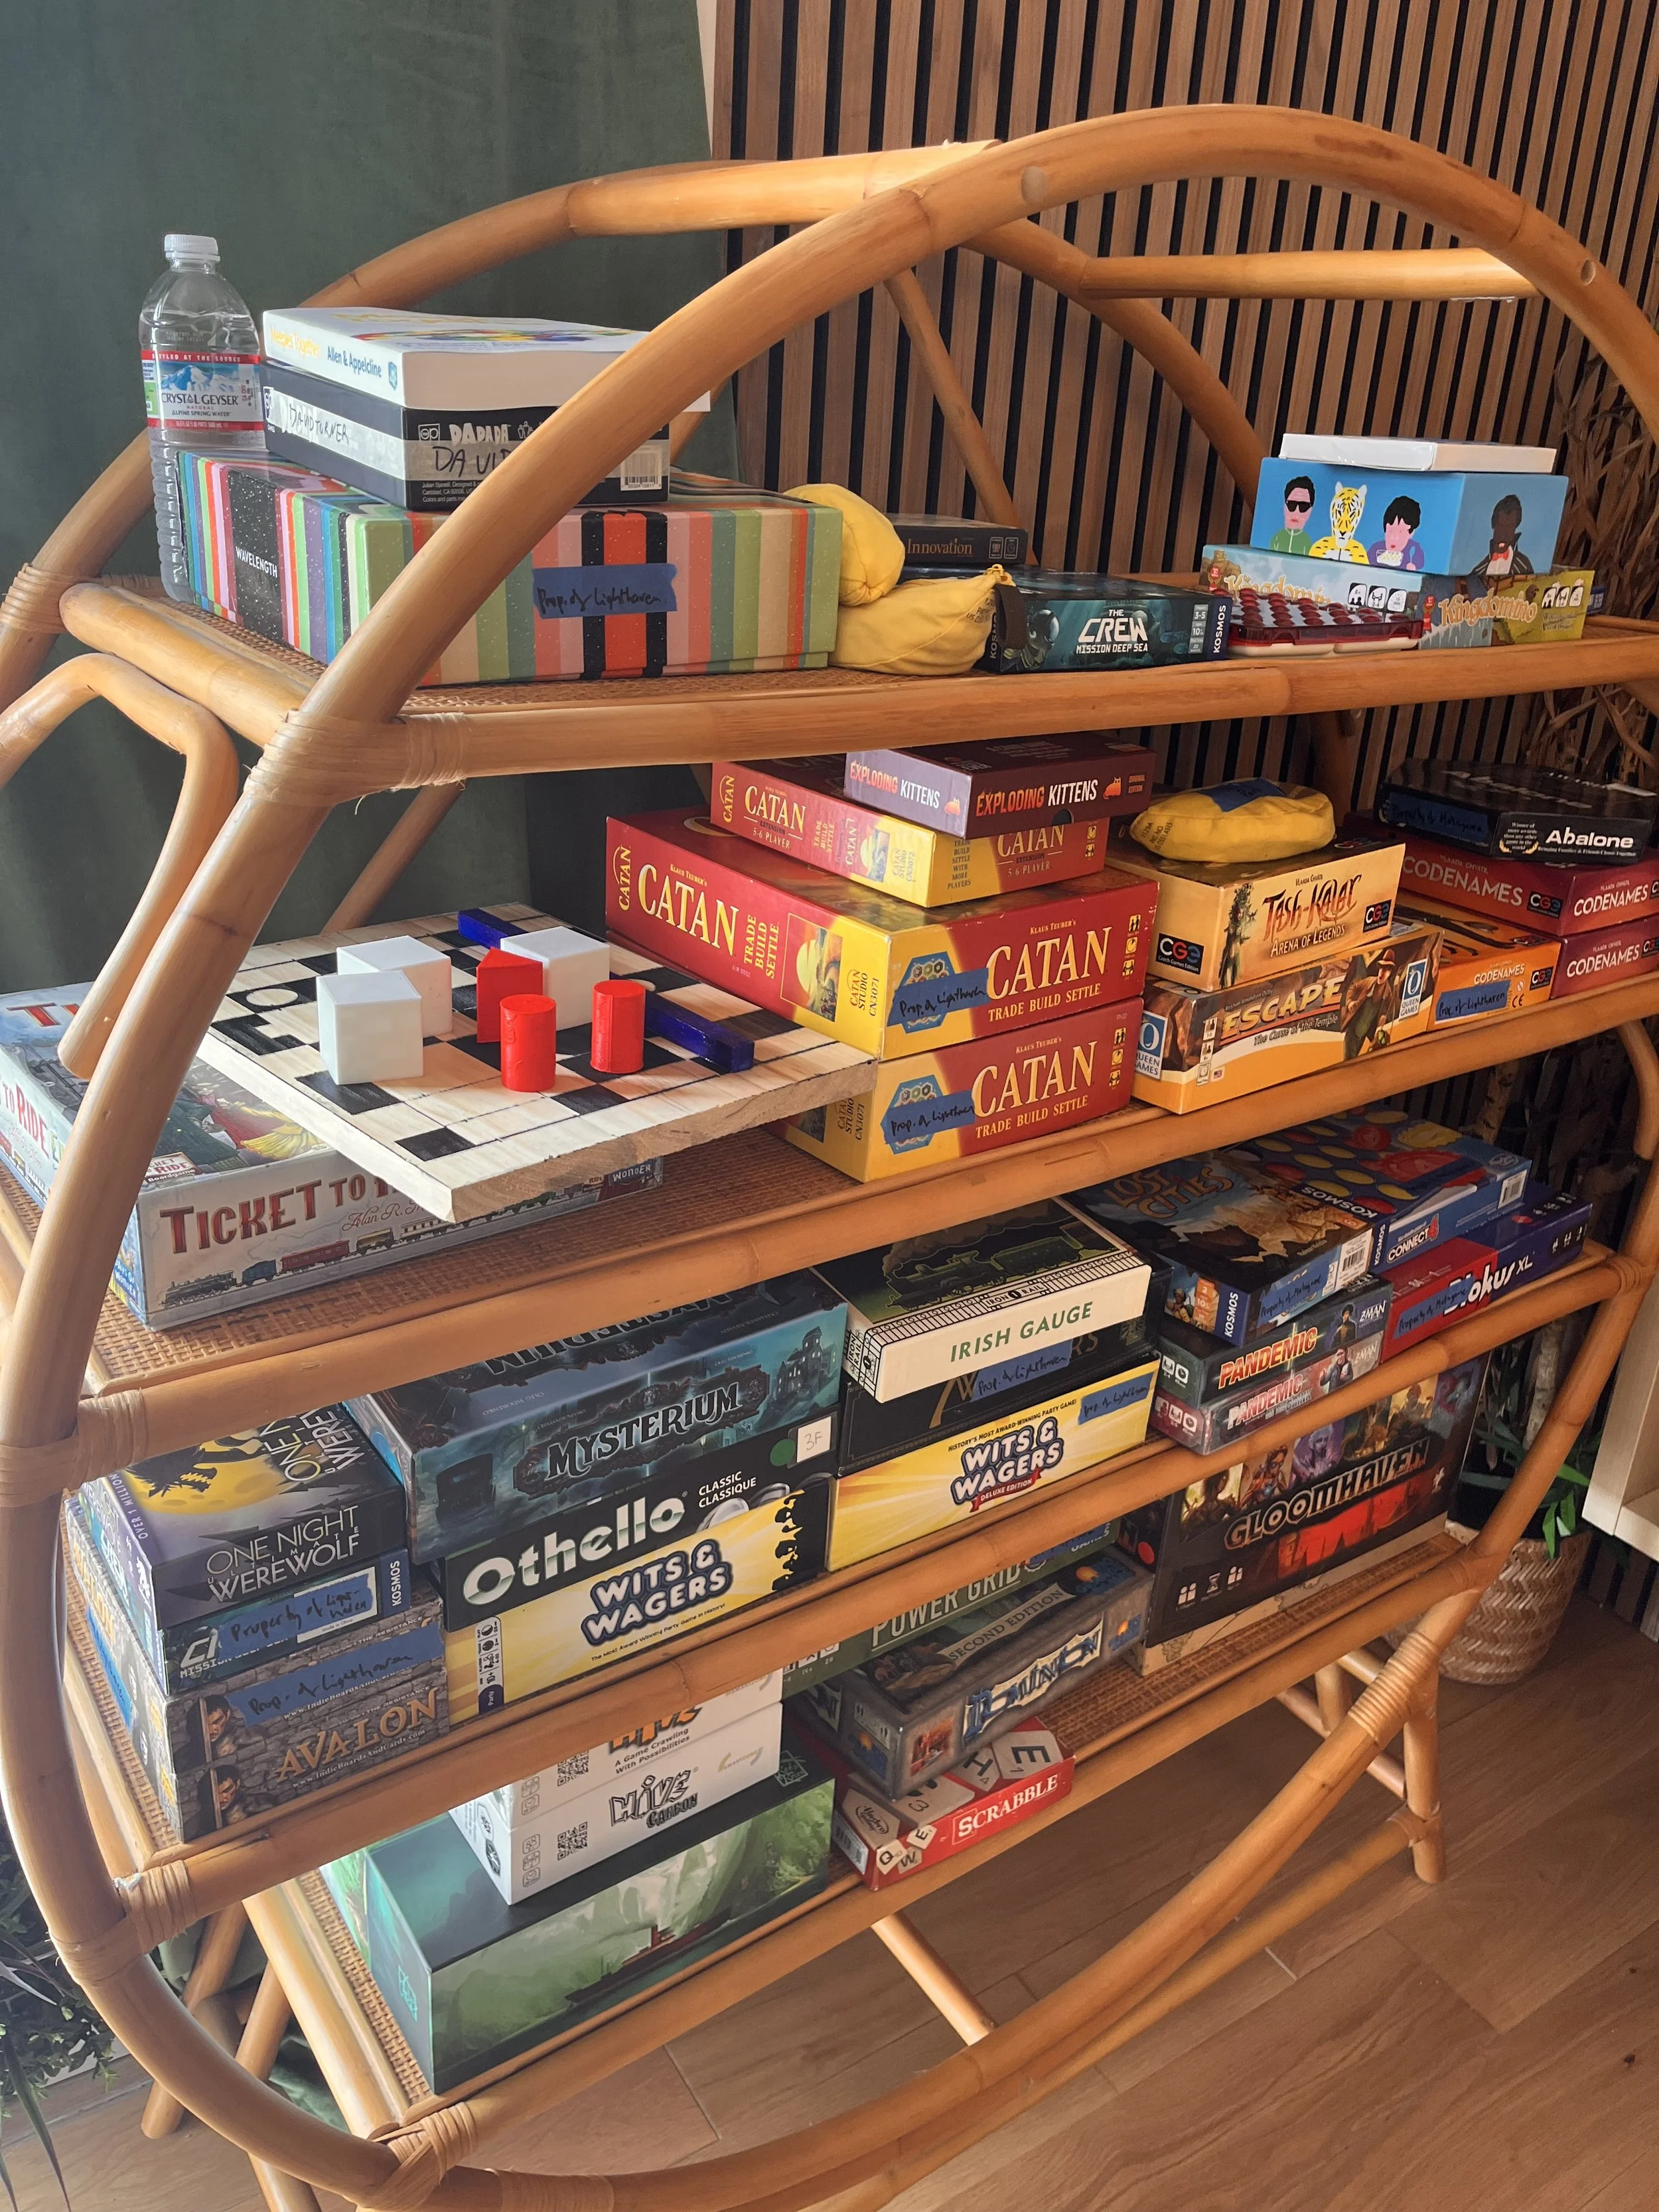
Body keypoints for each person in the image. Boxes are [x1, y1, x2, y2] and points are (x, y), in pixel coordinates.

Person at [1467, 492, 1535, 581]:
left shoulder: (1524, 566)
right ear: (1494, 525)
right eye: (1501, 526)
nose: (1504, 534)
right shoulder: (1478, 571)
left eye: (1510, 527)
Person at [1367, 494, 1425, 569]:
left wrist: (1413, 567)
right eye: (1390, 531)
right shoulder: (1376, 549)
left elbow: (1420, 564)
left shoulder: (1413, 550)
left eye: (1400, 532)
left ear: (1411, 533)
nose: (1393, 537)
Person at [1269, 475, 1317, 554]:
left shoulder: (1308, 542)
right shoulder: (1277, 538)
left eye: (1303, 506)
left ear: (1310, 511)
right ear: (1285, 507)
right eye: (1292, 505)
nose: (1296, 512)